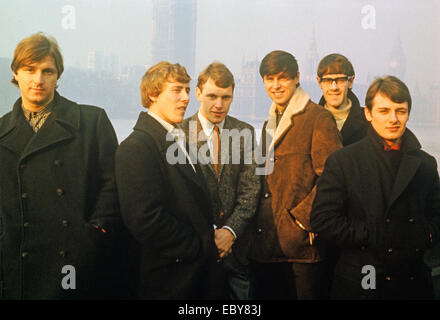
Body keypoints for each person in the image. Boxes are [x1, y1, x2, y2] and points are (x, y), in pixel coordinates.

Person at [0, 33, 128, 299]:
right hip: (17, 265)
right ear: (15, 73)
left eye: (47, 71)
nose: (38, 80)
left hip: (75, 261)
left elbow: (114, 185)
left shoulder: (91, 121)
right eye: (30, 70)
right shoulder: (2, 131)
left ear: (58, 76)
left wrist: (94, 233)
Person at [311, 75, 440, 299]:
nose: (393, 119)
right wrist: (370, 234)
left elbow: (437, 216)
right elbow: (322, 219)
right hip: (361, 276)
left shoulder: (426, 164)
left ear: (408, 114)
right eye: (384, 111)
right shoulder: (344, 161)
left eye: (400, 111)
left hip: (412, 279)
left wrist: (424, 236)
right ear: (368, 114)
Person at [115, 61, 223, 299]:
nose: (185, 98)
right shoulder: (136, 146)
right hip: (170, 280)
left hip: (192, 276)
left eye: (187, 90)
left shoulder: (176, 138)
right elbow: (144, 218)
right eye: (176, 90)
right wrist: (197, 247)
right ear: (152, 94)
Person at [248, 50, 342, 299]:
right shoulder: (270, 122)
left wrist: (302, 221)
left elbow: (333, 179)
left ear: (297, 78)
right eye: (269, 79)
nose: (276, 85)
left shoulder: (318, 118)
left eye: (283, 78)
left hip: (302, 249)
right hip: (266, 245)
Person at [180, 62, 261, 299]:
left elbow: (251, 190)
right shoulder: (178, 133)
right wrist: (209, 236)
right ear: (197, 93)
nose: (219, 104)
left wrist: (230, 231)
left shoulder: (245, 132)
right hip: (196, 252)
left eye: (226, 97)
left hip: (238, 253)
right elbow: (179, 197)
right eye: (212, 96)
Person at [316, 53, 368, 146]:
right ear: (319, 83)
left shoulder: (369, 121)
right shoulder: (308, 122)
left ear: (350, 81)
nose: (334, 87)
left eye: (340, 80)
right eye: (327, 80)